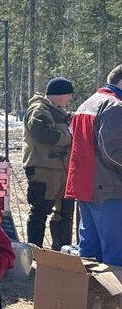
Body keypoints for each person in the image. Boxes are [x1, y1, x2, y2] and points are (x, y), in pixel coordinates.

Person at [65, 64, 122, 264]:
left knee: (89, 253)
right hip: (108, 189)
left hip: (86, 186)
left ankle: (86, 295)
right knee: (116, 255)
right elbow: (113, 151)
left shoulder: (88, 103)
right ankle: (113, 296)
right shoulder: (115, 106)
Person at [22, 77, 75, 250]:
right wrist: (70, 136)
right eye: (68, 94)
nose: (70, 99)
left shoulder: (57, 111)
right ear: (58, 95)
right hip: (43, 171)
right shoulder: (39, 111)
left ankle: (61, 253)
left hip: (60, 171)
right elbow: (44, 135)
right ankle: (34, 253)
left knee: (64, 214)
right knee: (40, 212)